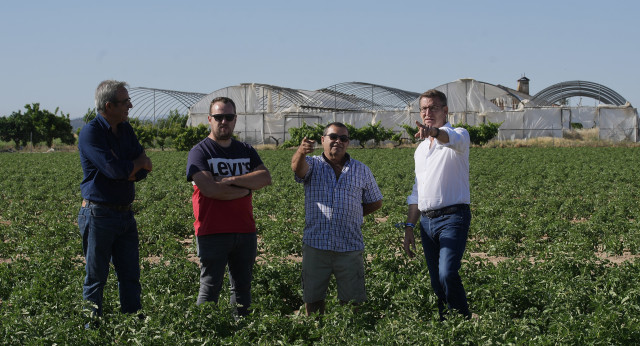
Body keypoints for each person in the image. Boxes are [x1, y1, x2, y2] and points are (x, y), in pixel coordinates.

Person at [186, 96, 272, 317]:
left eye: (229, 117)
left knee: (242, 289)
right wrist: (244, 188)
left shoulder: (246, 149)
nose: (223, 121)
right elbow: (210, 190)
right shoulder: (200, 152)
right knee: (210, 287)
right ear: (209, 119)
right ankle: (203, 333)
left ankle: (241, 331)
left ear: (235, 120)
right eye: (218, 117)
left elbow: (264, 178)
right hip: (212, 231)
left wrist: (229, 180)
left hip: (245, 231)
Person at [78, 80, 153, 321]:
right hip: (99, 214)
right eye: (125, 102)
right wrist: (130, 167)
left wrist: (130, 167)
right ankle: (92, 330)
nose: (130, 105)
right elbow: (113, 170)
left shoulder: (126, 129)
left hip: (124, 214)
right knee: (96, 278)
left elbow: (144, 166)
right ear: (109, 106)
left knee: (130, 275)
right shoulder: (91, 133)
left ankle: (133, 327)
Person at [291, 122, 383, 315]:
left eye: (343, 138)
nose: (338, 141)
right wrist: (301, 152)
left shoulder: (361, 170)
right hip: (316, 245)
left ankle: (351, 336)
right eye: (333, 137)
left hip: (349, 246)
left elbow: (375, 202)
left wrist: (354, 214)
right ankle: (316, 334)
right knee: (313, 300)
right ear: (323, 140)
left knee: (353, 303)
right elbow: (298, 170)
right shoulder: (313, 164)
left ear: (348, 143)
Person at [403, 89, 472, 320]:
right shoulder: (421, 149)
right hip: (426, 222)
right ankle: (446, 322)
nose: (427, 112)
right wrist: (410, 226)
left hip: (453, 218)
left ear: (445, 111)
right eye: (423, 108)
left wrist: (433, 131)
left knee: (447, 272)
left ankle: (462, 321)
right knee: (436, 280)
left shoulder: (459, 135)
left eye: (433, 108)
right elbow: (417, 192)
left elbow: (449, 138)